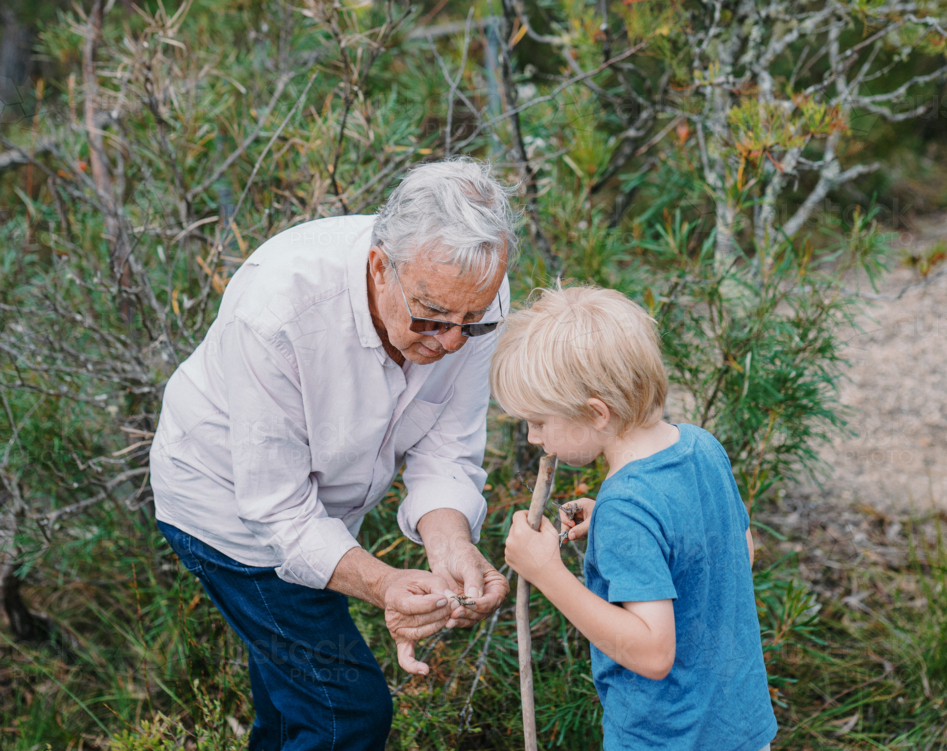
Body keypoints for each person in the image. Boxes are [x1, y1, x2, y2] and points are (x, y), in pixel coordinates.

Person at [150, 158, 514, 750]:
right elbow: (276, 512)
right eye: (432, 317)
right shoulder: (277, 310)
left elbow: (447, 448)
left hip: (315, 511)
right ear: (380, 268)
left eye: (470, 322)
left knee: (295, 706)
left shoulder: (471, 289)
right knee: (345, 712)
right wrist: (386, 583)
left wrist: (451, 545)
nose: (451, 341)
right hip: (228, 516)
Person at [495, 285, 777, 751]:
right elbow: (736, 554)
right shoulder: (702, 447)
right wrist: (610, 523)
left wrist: (547, 573)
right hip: (739, 727)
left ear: (595, 413)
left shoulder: (628, 503)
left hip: (667, 737)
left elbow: (652, 654)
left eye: (539, 422)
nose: (531, 437)